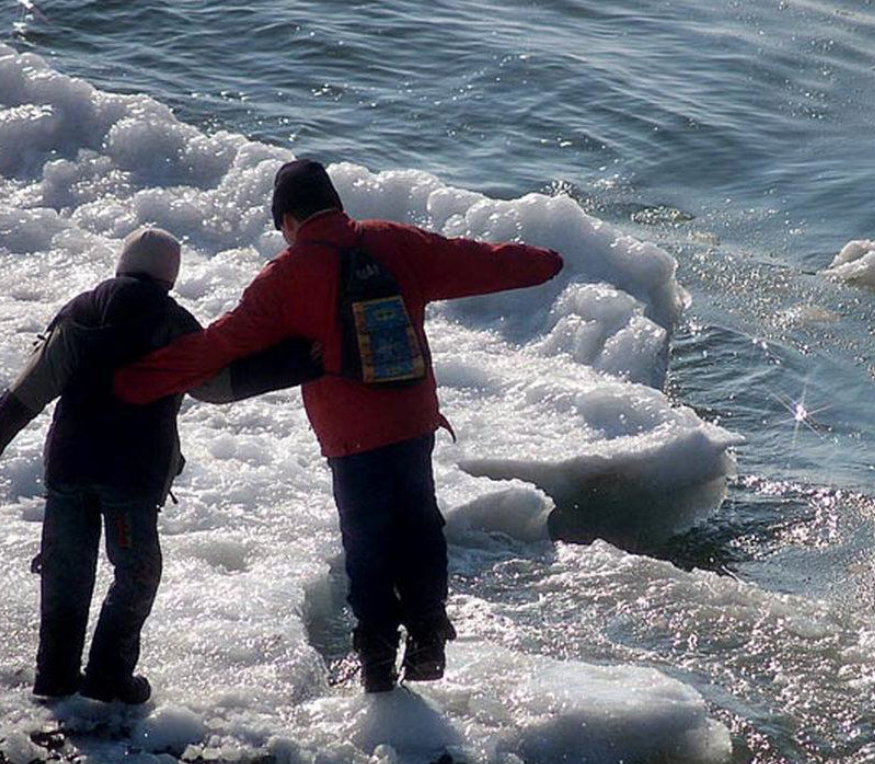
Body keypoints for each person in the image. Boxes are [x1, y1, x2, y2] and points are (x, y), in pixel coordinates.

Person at [113, 159, 563, 692]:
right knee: (419, 525)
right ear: (334, 202)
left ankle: (375, 659)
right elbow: (478, 260)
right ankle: (427, 637)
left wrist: (136, 380)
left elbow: (220, 344)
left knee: (367, 540)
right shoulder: (394, 242)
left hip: (350, 436)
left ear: (287, 220)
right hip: (412, 418)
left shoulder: (288, 274)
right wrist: (545, 261)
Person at [0, 227, 321, 704]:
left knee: (66, 570)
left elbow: (29, 389)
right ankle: (109, 675)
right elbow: (218, 386)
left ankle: (54, 678)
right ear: (170, 277)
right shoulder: (173, 323)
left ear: (122, 263)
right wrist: (302, 360)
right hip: (131, 477)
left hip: (70, 466)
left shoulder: (80, 313)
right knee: (136, 572)